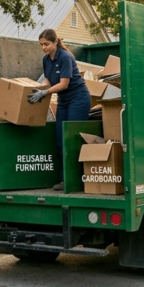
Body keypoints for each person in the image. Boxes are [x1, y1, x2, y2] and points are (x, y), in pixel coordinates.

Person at [29, 28, 91, 190]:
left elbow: (64, 84)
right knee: (60, 139)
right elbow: (48, 80)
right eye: (41, 44)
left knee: (72, 138)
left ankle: (78, 179)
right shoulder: (46, 59)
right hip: (63, 101)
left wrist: (45, 92)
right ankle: (65, 180)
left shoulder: (65, 57)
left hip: (78, 98)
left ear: (55, 42)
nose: (43, 47)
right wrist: (36, 88)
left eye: (46, 44)